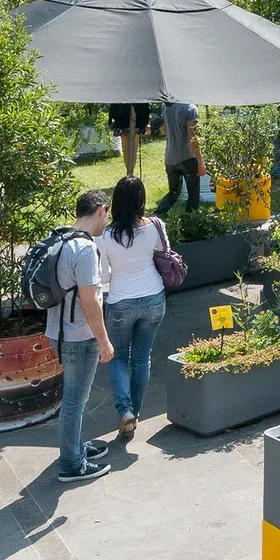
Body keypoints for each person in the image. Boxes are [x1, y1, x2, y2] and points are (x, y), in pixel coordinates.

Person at [50, 190, 115, 483]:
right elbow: (90, 302)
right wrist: (103, 340)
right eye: (108, 214)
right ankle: (71, 464)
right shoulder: (85, 249)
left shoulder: (60, 238)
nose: (108, 220)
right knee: (75, 400)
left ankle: (75, 447)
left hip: (57, 329)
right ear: (101, 210)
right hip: (78, 334)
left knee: (75, 396)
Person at [98, 177, 168, 442]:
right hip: (154, 298)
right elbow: (164, 254)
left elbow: (103, 277)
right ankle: (134, 414)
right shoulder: (156, 226)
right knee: (142, 358)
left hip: (120, 301)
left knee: (117, 358)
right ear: (142, 199)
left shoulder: (106, 236)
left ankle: (125, 409)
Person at [154, 101, 204, 217]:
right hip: (188, 157)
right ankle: (189, 222)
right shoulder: (191, 108)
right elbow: (193, 137)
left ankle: (157, 214)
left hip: (170, 157)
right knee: (193, 194)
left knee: (173, 193)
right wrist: (200, 161)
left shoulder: (166, 106)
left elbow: (166, 130)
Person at [108, 103, 148, 177]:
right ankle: (131, 172)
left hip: (122, 120)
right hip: (136, 121)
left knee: (126, 150)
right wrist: (145, 122)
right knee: (133, 150)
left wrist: (110, 120)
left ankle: (129, 172)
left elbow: (113, 105)